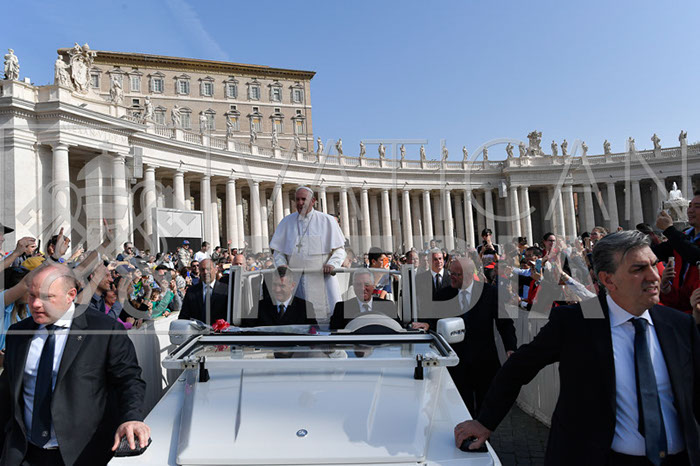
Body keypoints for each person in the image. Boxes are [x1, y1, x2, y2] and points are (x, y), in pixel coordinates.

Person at [454, 231, 700, 465]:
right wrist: (484, 422)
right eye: (639, 269)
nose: (654, 276)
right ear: (608, 279)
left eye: (654, 265)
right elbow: (518, 367)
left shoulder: (680, 325)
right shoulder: (575, 322)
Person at [0, 263, 150, 465]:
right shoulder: (18, 333)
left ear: (70, 295)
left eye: (46, 297)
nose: (35, 304)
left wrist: (132, 417)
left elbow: (129, 380)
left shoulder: (104, 330)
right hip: (25, 453)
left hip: (82, 454)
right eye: (32, 295)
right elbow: (7, 392)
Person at [437, 258, 517, 413]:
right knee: (461, 411)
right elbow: (433, 322)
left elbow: (505, 323)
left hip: (484, 362)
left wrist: (510, 348)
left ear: (468, 275)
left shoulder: (489, 293)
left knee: (485, 411)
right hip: (456, 364)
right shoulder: (443, 295)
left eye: (456, 274)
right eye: (450, 273)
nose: (451, 277)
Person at [269, 186, 346, 321]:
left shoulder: (327, 220)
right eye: (297, 199)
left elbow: (339, 250)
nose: (300, 203)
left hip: (322, 279)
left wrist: (332, 264)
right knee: (299, 318)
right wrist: (282, 265)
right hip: (296, 280)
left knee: (327, 317)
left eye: (304, 199)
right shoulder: (286, 222)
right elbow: (278, 251)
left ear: (313, 201)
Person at [653, 192, 700, 314]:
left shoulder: (680, 240)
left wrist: (669, 230)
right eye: (690, 206)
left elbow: (695, 255)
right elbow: (653, 253)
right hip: (684, 312)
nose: (690, 210)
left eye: (697, 206)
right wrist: (666, 287)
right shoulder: (683, 237)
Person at [241, 266, 315, 327]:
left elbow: (313, 332)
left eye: (282, 286)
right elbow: (246, 330)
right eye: (274, 285)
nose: (277, 290)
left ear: (292, 286)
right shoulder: (260, 307)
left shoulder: (305, 308)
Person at [178, 259, 228, 324]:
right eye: (202, 269)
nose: (205, 272)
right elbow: (183, 316)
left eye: (208, 269)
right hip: (197, 329)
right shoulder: (191, 291)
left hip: (219, 329)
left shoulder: (226, 290)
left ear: (216, 270)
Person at [415, 248, 451, 319]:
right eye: (435, 259)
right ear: (429, 261)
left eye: (440, 259)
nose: (439, 261)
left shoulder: (451, 277)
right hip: (428, 318)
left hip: (448, 318)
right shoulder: (420, 279)